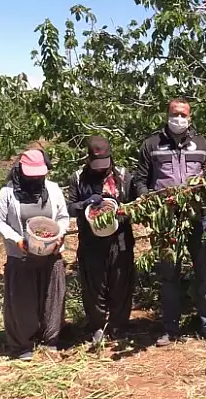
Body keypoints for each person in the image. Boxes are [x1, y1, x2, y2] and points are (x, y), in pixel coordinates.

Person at [133, 97, 206, 347]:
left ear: (190, 118)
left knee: (204, 271)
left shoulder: (202, 144)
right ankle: (170, 329)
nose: (179, 119)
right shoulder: (151, 144)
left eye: (184, 115)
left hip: (197, 217)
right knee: (168, 274)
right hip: (167, 220)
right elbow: (140, 179)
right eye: (175, 114)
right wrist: (148, 203)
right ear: (167, 115)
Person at [0, 149, 69, 361]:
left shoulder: (53, 190)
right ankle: (23, 344)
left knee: (52, 297)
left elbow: (63, 217)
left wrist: (59, 236)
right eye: (31, 174)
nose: (35, 179)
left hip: (50, 253)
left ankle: (50, 339)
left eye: (39, 175)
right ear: (20, 171)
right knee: (22, 300)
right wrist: (16, 239)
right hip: (21, 255)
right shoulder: (7, 193)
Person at [66, 136, 137, 346]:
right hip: (91, 241)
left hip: (120, 239)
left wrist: (121, 210)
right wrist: (85, 204)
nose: (100, 170)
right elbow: (69, 208)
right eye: (95, 166)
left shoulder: (123, 176)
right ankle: (97, 325)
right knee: (93, 285)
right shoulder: (78, 178)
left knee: (120, 283)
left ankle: (119, 325)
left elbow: (137, 204)